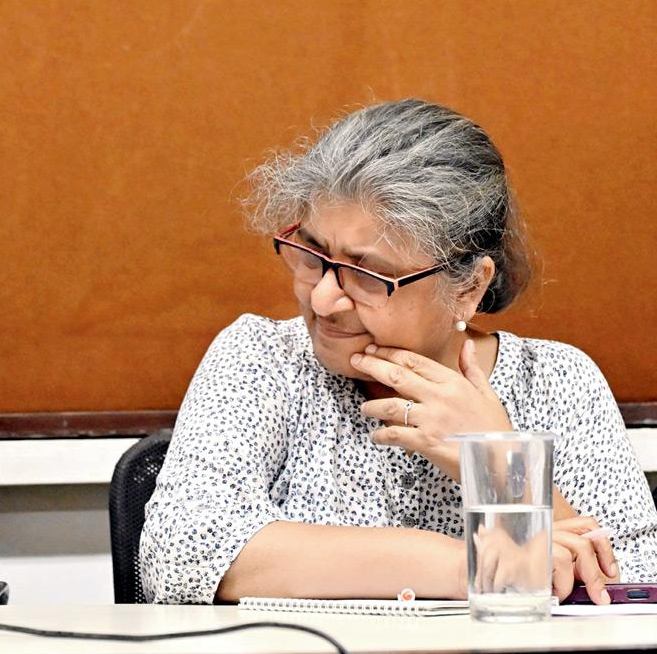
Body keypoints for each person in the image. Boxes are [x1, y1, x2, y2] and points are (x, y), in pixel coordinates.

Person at [139, 99, 657, 605]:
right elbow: (180, 554)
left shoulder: (555, 381)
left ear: (469, 287)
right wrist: (469, 564)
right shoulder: (265, 358)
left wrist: (498, 464)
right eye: (312, 255)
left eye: (367, 275)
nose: (323, 299)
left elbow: (636, 588)